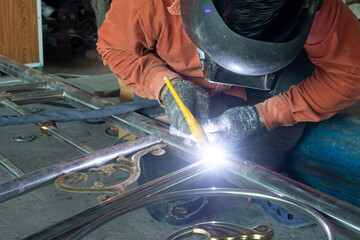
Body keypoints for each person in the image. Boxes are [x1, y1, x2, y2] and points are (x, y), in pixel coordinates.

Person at [97, 0, 360, 226]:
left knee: (258, 155)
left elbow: (351, 73)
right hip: (181, 85)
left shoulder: (314, 6)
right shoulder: (148, 3)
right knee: (173, 206)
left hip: (264, 90)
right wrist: (168, 89)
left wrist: (264, 115)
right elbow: (116, 49)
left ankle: (262, 174)